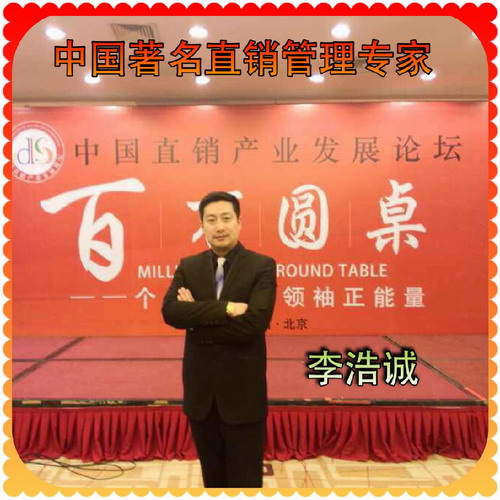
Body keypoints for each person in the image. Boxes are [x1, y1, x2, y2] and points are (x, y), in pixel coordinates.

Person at [161, 191, 277, 488]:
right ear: (202, 225)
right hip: (201, 395)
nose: (219, 226)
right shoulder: (188, 266)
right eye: (211, 220)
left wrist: (196, 320)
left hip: (243, 394)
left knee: (245, 480)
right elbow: (171, 312)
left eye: (226, 218)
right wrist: (226, 309)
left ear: (239, 222)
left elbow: (254, 324)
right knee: (213, 479)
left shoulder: (261, 266)